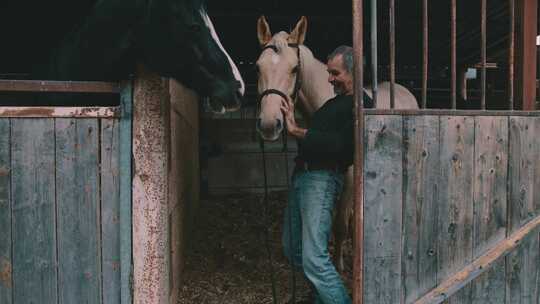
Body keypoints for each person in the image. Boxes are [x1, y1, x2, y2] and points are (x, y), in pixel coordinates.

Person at [280, 45, 373, 304]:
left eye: (335, 73)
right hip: (303, 177)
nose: (330, 79)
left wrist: (297, 131)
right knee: (292, 249)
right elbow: (318, 140)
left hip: (322, 179)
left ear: (354, 72)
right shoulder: (333, 104)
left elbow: (343, 145)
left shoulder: (362, 105)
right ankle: (323, 297)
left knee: (314, 257)